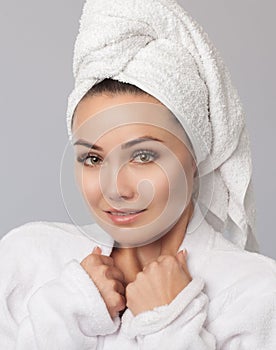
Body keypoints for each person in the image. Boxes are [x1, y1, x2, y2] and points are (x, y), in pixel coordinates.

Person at [1, 1, 276, 349]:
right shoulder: (27, 261)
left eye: (143, 156)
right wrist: (68, 309)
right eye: (92, 158)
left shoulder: (255, 296)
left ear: (195, 157)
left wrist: (168, 326)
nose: (114, 189)